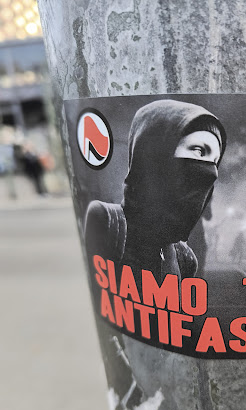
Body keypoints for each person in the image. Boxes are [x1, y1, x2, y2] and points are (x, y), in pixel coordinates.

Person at [84, 99, 226, 290]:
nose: (211, 172)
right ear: (154, 151)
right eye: (199, 150)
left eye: (215, 161)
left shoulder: (185, 257)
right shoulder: (107, 221)